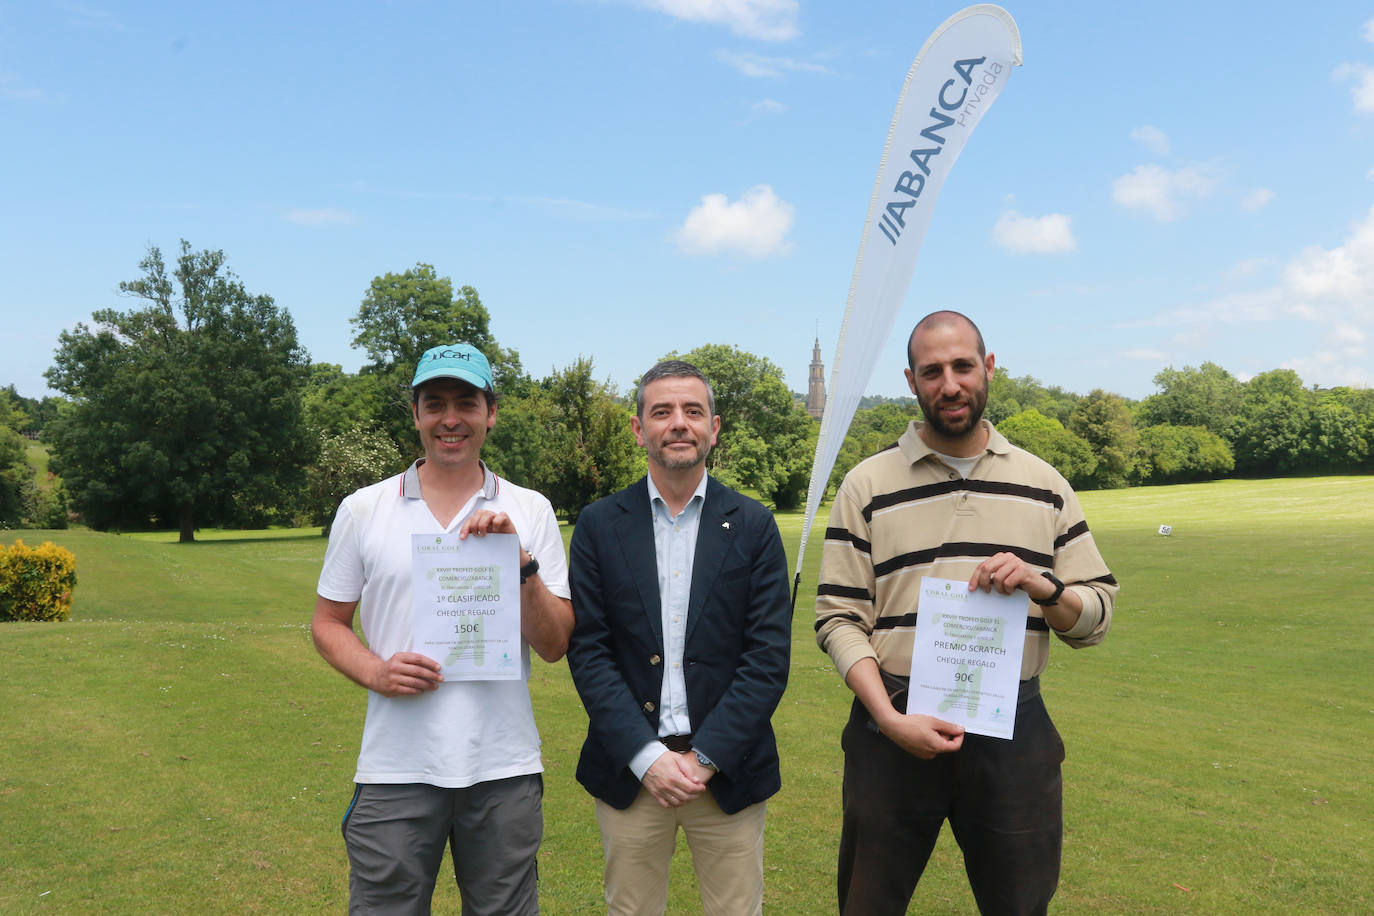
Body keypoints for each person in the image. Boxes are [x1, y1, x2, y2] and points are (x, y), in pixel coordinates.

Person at [815, 311, 1118, 916]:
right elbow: (838, 618)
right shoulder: (866, 485)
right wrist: (888, 717)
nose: (949, 384)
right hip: (893, 725)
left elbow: (1098, 616)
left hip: (1014, 730)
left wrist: (1045, 586)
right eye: (932, 371)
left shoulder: (1044, 483)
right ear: (911, 380)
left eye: (962, 366)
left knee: (1020, 905)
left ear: (989, 368)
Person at [311, 343, 574, 915]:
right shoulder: (364, 508)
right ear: (415, 413)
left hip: (502, 767)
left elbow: (555, 645)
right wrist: (376, 671)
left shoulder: (530, 509)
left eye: (466, 402)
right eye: (435, 403)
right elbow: (328, 623)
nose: (450, 418)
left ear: (491, 412)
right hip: (396, 767)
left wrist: (520, 563)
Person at [566, 359, 792, 916]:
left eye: (694, 411)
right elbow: (589, 652)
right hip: (631, 772)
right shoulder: (598, 525)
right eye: (661, 411)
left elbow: (767, 659)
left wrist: (707, 756)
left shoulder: (755, 525)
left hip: (727, 772)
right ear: (639, 429)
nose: (679, 423)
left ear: (714, 428)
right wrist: (646, 756)